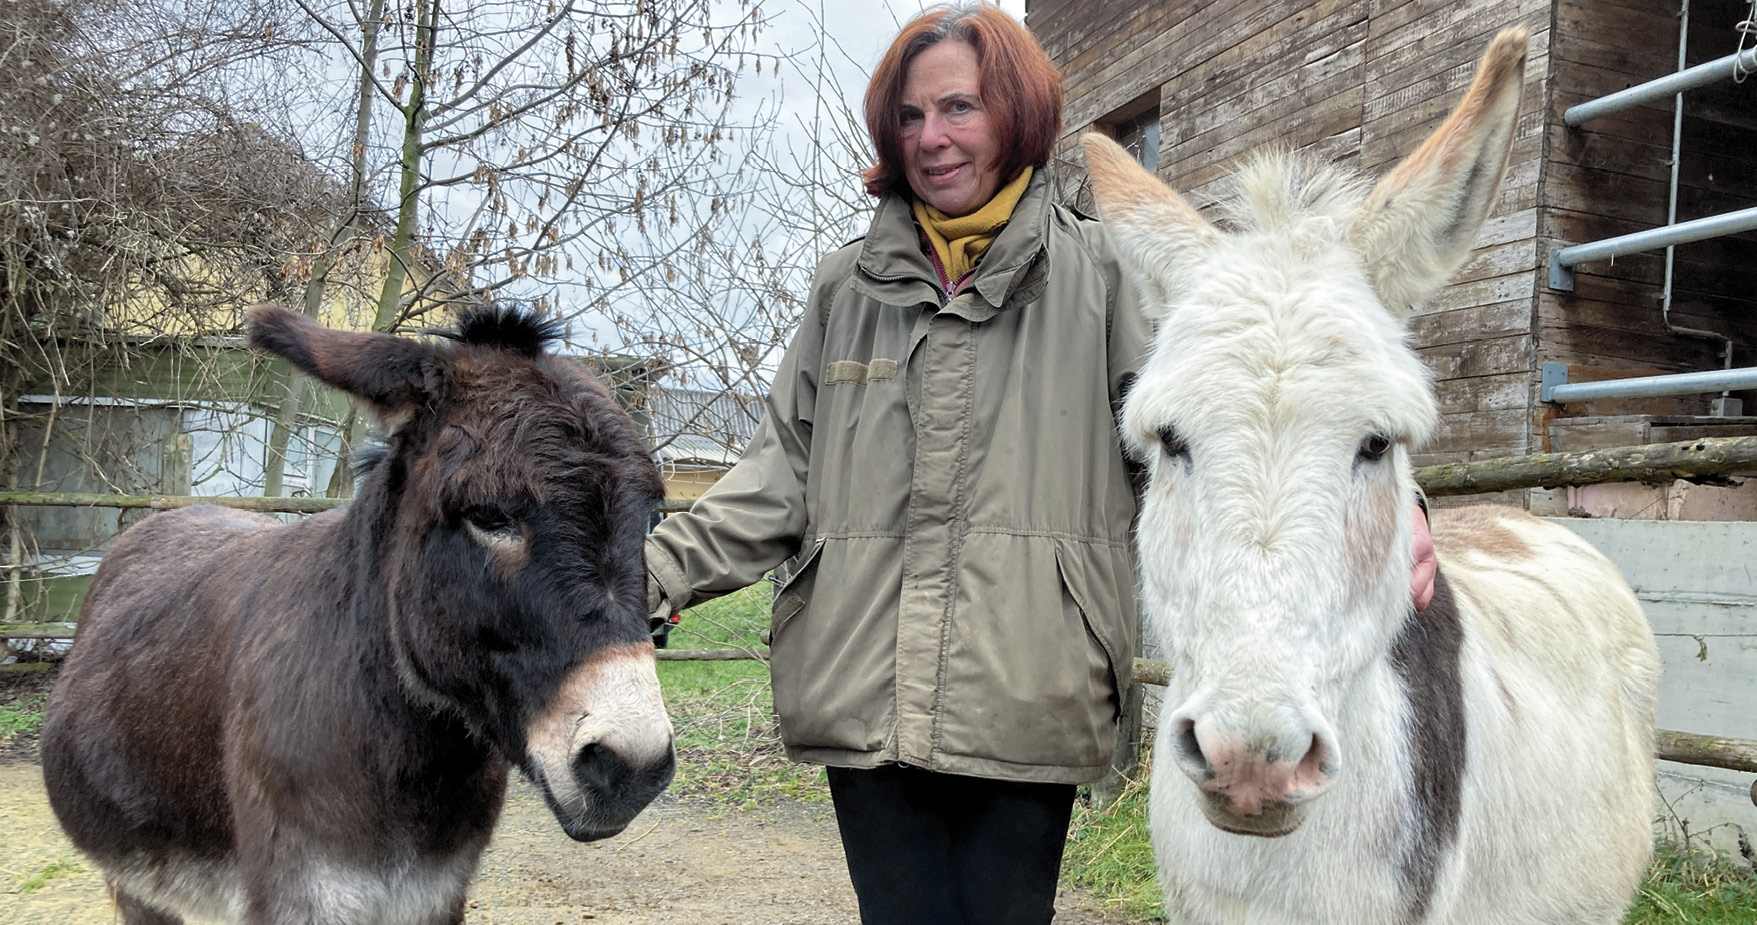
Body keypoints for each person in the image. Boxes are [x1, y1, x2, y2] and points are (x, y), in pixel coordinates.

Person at [645, 5, 1436, 923]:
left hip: (1028, 694)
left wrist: (1391, 504)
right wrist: (649, 572)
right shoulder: (844, 287)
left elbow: (1218, 445)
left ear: (1015, 113)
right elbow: (779, 471)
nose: (931, 139)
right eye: (909, 117)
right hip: (864, 697)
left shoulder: (1104, 274)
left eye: (958, 109)